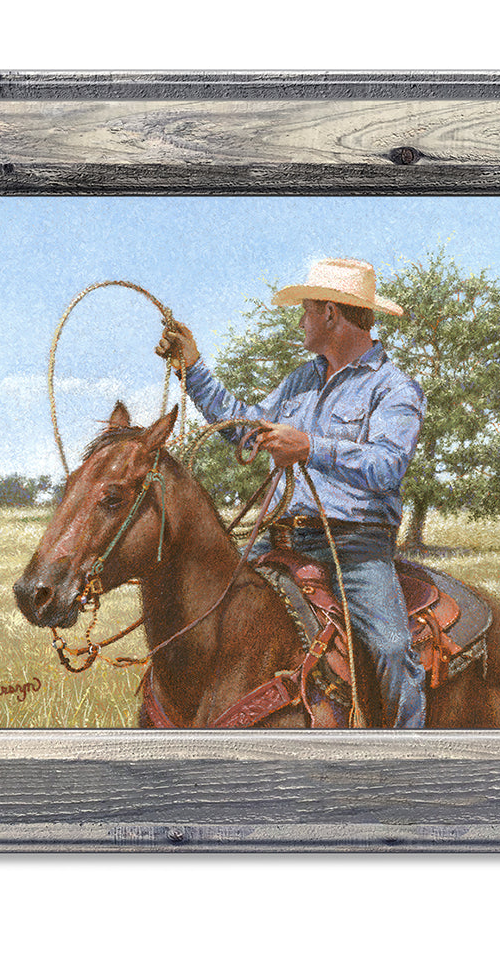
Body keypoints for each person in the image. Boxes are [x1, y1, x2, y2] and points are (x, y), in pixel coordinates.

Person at [157, 257, 427, 728]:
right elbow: (246, 429)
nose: (299, 321)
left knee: (392, 648)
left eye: (305, 310)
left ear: (331, 314)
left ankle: (410, 760)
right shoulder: (301, 380)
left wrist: (309, 447)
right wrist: (193, 367)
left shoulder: (394, 388)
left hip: (356, 548)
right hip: (282, 538)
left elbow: (387, 467)